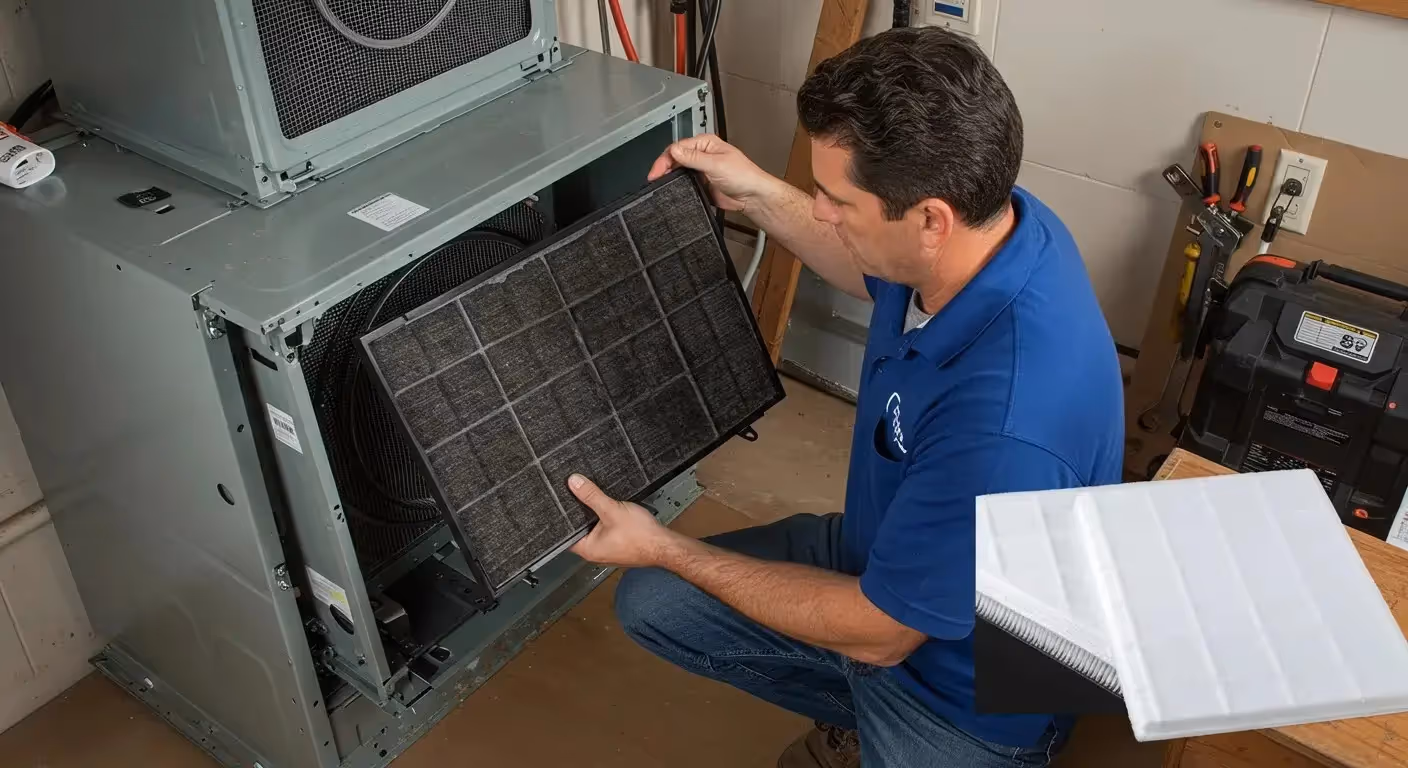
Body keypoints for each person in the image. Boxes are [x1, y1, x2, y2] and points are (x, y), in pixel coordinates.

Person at [563, 26, 1124, 768]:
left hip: (971, 697)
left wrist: (665, 543)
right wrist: (758, 193)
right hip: (890, 560)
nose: (820, 211)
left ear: (930, 219)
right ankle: (855, 701)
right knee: (655, 603)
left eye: (836, 198)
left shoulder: (1006, 426)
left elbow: (885, 632)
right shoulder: (998, 226)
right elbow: (870, 266)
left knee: (675, 572)